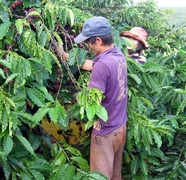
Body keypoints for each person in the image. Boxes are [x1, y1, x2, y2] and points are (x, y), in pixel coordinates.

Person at [53, 16, 128, 180]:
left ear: (99, 40)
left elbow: (93, 103)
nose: (88, 46)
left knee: (99, 177)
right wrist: (64, 56)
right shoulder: (117, 56)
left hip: (105, 133)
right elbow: (92, 65)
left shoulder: (102, 65)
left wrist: (79, 98)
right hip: (120, 128)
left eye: (89, 42)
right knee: (115, 176)